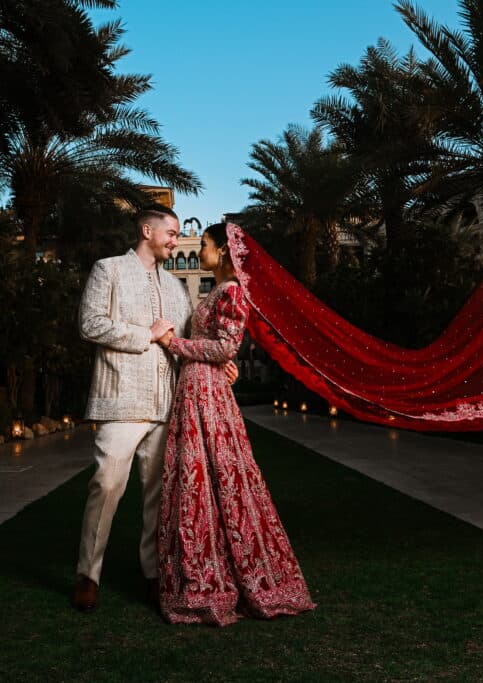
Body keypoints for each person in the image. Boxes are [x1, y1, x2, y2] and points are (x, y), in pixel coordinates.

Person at [72, 206, 237, 612]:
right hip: (121, 400)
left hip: (168, 405)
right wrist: (144, 334)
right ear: (147, 230)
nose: (176, 241)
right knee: (106, 484)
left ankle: (153, 574)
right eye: (172, 233)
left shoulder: (177, 287)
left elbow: (190, 341)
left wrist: (219, 362)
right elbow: (90, 324)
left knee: (158, 496)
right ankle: (88, 574)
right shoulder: (109, 269)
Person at [156, 222, 315, 626]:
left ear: (223, 251)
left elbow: (227, 346)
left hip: (207, 394)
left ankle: (223, 575)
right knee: (201, 475)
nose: (201, 251)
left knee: (216, 473)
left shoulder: (230, 291)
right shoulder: (217, 291)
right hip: (199, 387)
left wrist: (172, 342)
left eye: (204, 245)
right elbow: (221, 348)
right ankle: (203, 567)